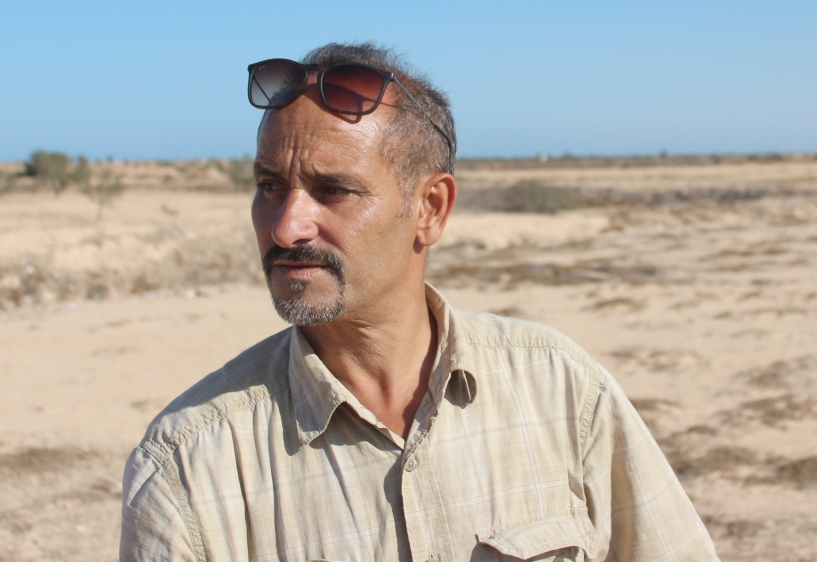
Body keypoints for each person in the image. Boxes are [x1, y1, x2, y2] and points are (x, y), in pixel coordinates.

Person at [120, 43, 718, 562]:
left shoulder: (561, 390)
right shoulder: (190, 462)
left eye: (333, 191)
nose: (285, 227)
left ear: (431, 210)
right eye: (269, 187)